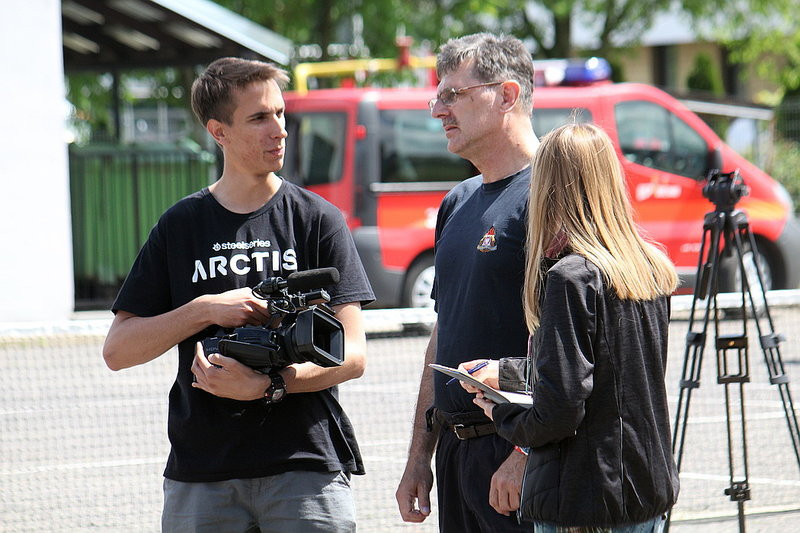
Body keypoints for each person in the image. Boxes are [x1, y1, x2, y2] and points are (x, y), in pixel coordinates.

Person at [102, 57, 374, 532]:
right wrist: (204, 310)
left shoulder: (318, 219)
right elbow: (118, 351)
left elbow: (351, 355)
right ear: (218, 131)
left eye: (281, 113)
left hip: (303, 466)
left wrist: (272, 385)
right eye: (259, 117)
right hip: (202, 473)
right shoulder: (180, 226)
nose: (280, 130)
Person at [469, 123, 680, 531]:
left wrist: (501, 412)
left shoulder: (573, 276)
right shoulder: (650, 268)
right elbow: (611, 377)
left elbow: (560, 412)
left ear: (547, 186)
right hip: (644, 490)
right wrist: (506, 373)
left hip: (586, 498)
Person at [395, 33, 538, 532]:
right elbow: (445, 332)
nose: (438, 110)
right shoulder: (457, 202)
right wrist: (419, 457)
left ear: (507, 96)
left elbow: (580, 343)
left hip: (519, 460)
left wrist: (525, 454)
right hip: (457, 459)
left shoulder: (551, 192)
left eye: (453, 94)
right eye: (438, 95)